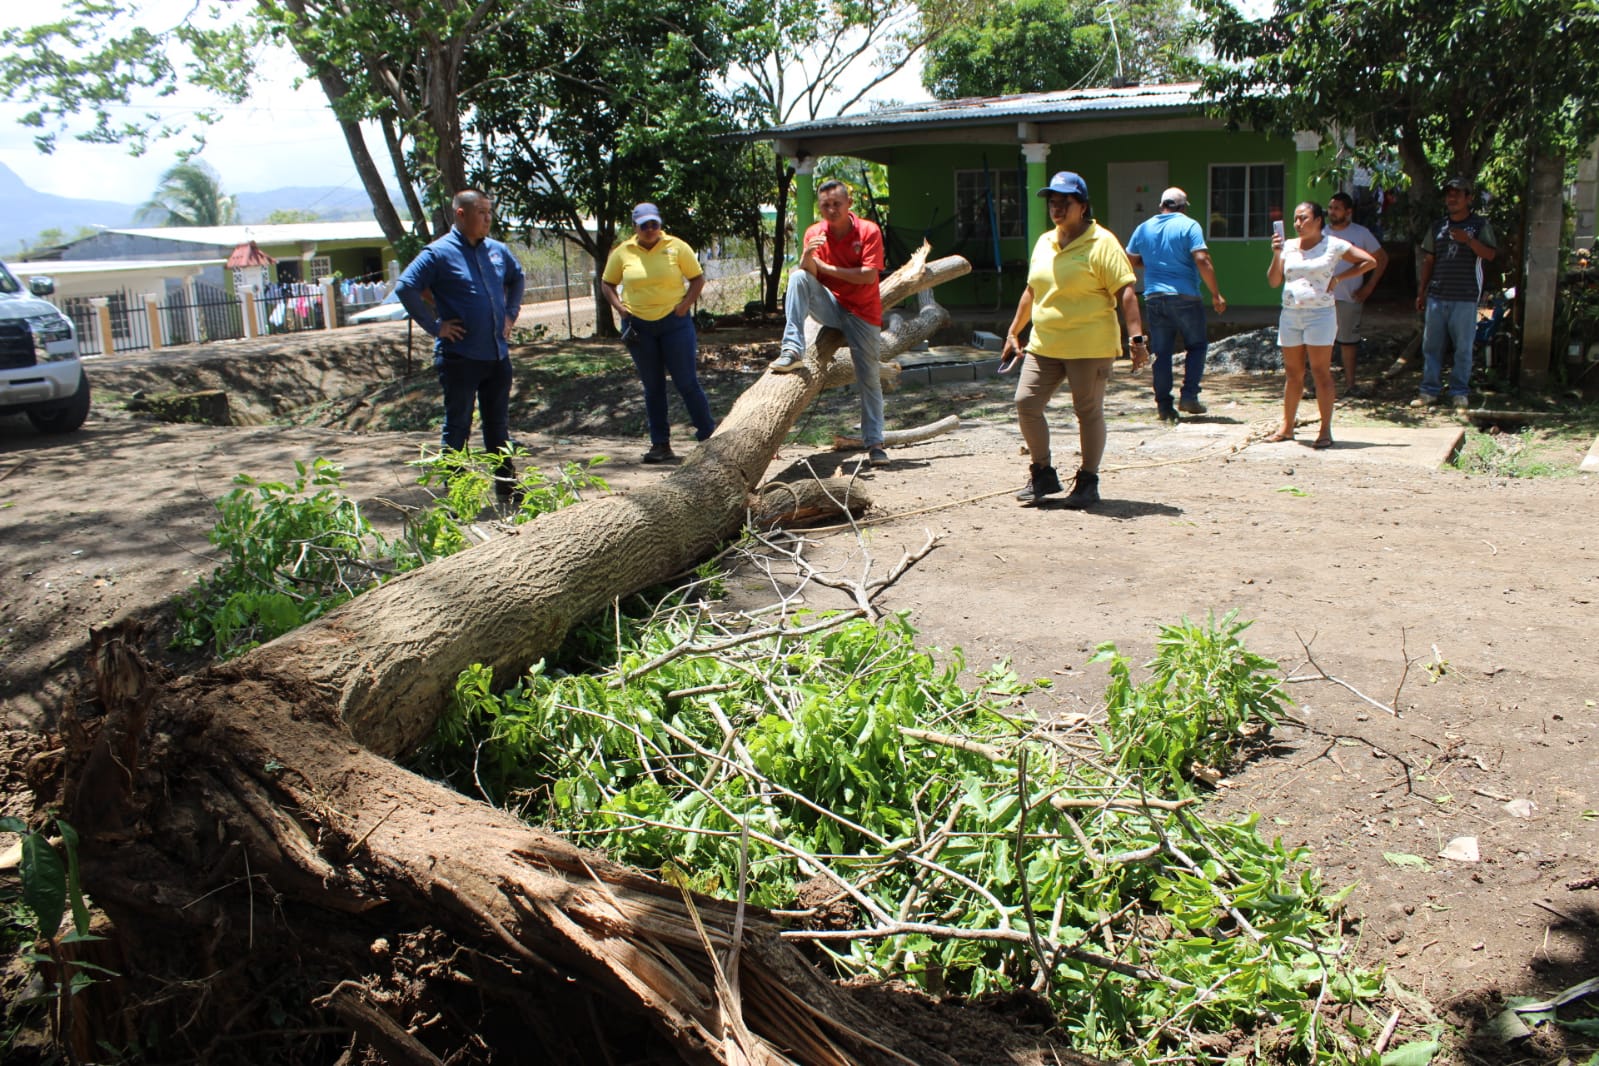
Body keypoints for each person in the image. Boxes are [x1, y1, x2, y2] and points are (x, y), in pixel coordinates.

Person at [1000, 171, 1148, 508]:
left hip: (1089, 346)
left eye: (1064, 202)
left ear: (1082, 206)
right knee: (1026, 403)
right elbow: (1032, 291)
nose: (1056, 208)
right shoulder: (1045, 242)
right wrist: (1013, 331)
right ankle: (1043, 473)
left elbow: (1126, 291)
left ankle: (1087, 481)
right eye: (1052, 202)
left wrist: (1137, 339)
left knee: (1087, 410)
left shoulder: (1102, 242)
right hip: (1045, 344)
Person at [396, 189, 526, 498]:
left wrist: (511, 314)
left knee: (498, 424)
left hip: (496, 355)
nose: (487, 219)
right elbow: (406, 286)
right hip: (460, 357)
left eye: (489, 212)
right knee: (457, 425)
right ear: (461, 214)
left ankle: (506, 485)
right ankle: (457, 493)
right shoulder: (438, 253)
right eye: (481, 212)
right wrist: (435, 326)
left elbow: (517, 277)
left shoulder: (497, 250)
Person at [770, 179, 889, 466]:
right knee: (798, 277)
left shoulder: (868, 231)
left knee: (869, 377)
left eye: (837, 203)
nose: (831, 209)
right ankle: (792, 349)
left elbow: (868, 276)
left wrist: (825, 267)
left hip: (862, 313)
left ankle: (875, 443)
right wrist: (807, 258)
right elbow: (810, 276)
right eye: (825, 205)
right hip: (830, 307)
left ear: (849, 204)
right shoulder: (814, 233)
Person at [601, 202, 717, 463]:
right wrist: (620, 308)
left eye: (654, 224)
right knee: (653, 387)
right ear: (635, 226)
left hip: (674, 324)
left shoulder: (677, 247)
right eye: (645, 225)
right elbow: (607, 283)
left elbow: (697, 279)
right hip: (638, 327)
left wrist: (684, 306)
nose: (650, 229)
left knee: (687, 382)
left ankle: (709, 439)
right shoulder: (622, 252)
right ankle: (660, 445)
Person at [1264, 201, 1378, 448]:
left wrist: (1339, 278)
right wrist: (1276, 253)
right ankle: (1287, 427)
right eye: (1295, 218)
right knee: (1293, 373)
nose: (1298, 223)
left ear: (1318, 220)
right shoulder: (1288, 246)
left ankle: (1325, 430)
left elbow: (1369, 261)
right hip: (1291, 315)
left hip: (1320, 315)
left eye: (1304, 218)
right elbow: (1273, 281)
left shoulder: (1333, 244)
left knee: (1320, 371)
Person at [1125, 186, 1226, 422]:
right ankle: (1189, 395)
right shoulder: (1189, 225)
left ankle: (1164, 406)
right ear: (1183, 207)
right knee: (1197, 346)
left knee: (1161, 353)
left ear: (1161, 205)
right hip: (1186, 296)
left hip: (1154, 297)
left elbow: (1129, 259)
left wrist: (1152, 264)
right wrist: (1216, 294)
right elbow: (1202, 259)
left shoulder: (1144, 228)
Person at [1412, 176, 1497, 410]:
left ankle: (1459, 392)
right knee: (1431, 346)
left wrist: (1468, 240)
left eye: (1457, 194)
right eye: (1449, 194)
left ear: (1469, 198)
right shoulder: (1438, 226)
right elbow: (1429, 260)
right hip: (1437, 294)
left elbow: (1490, 254)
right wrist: (1422, 291)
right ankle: (1429, 391)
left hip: (1466, 295)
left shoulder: (1479, 225)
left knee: (1463, 348)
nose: (1452, 198)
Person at [1325, 191, 1388, 396]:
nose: (1332, 212)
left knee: (1348, 342)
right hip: (1322, 299)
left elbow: (1381, 259)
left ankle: (1350, 385)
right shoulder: (1321, 233)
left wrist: (1369, 287)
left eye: (1337, 208)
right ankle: (1320, 385)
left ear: (1348, 212)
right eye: (1330, 208)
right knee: (1321, 342)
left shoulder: (1361, 234)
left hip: (1349, 296)